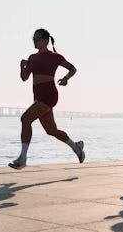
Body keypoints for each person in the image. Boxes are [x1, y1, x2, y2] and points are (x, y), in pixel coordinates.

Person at [9, 28, 85, 169]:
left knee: (25, 119)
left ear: (45, 40)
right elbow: (24, 78)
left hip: (49, 94)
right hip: (38, 97)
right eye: (34, 39)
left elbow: (72, 68)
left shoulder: (55, 57)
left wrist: (66, 79)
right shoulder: (32, 58)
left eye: (38, 39)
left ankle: (22, 159)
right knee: (51, 130)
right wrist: (22, 67)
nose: (35, 41)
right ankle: (76, 147)